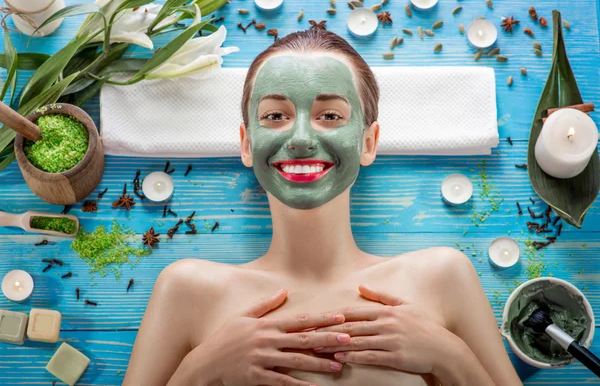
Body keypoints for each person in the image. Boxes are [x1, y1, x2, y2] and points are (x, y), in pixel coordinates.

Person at [124, 29, 522, 386]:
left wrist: (451, 357)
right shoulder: (188, 290)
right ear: (247, 144)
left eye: (330, 116)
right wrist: (201, 368)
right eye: (275, 116)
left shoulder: (442, 278)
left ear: (368, 143)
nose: (300, 138)